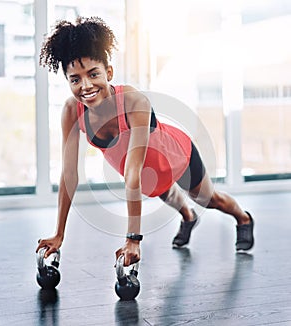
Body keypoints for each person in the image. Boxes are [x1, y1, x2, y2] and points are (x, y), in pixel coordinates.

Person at [36, 16, 254, 266]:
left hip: (175, 157)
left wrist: (133, 239)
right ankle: (188, 218)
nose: (85, 86)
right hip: (147, 177)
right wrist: (59, 234)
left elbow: (133, 168)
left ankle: (244, 218)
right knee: (165, 194)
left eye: (93, 74)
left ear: (108, 73)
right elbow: (69, 173)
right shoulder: (71, 111)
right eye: (75, 79)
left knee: (208, 198)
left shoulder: (133, 101)